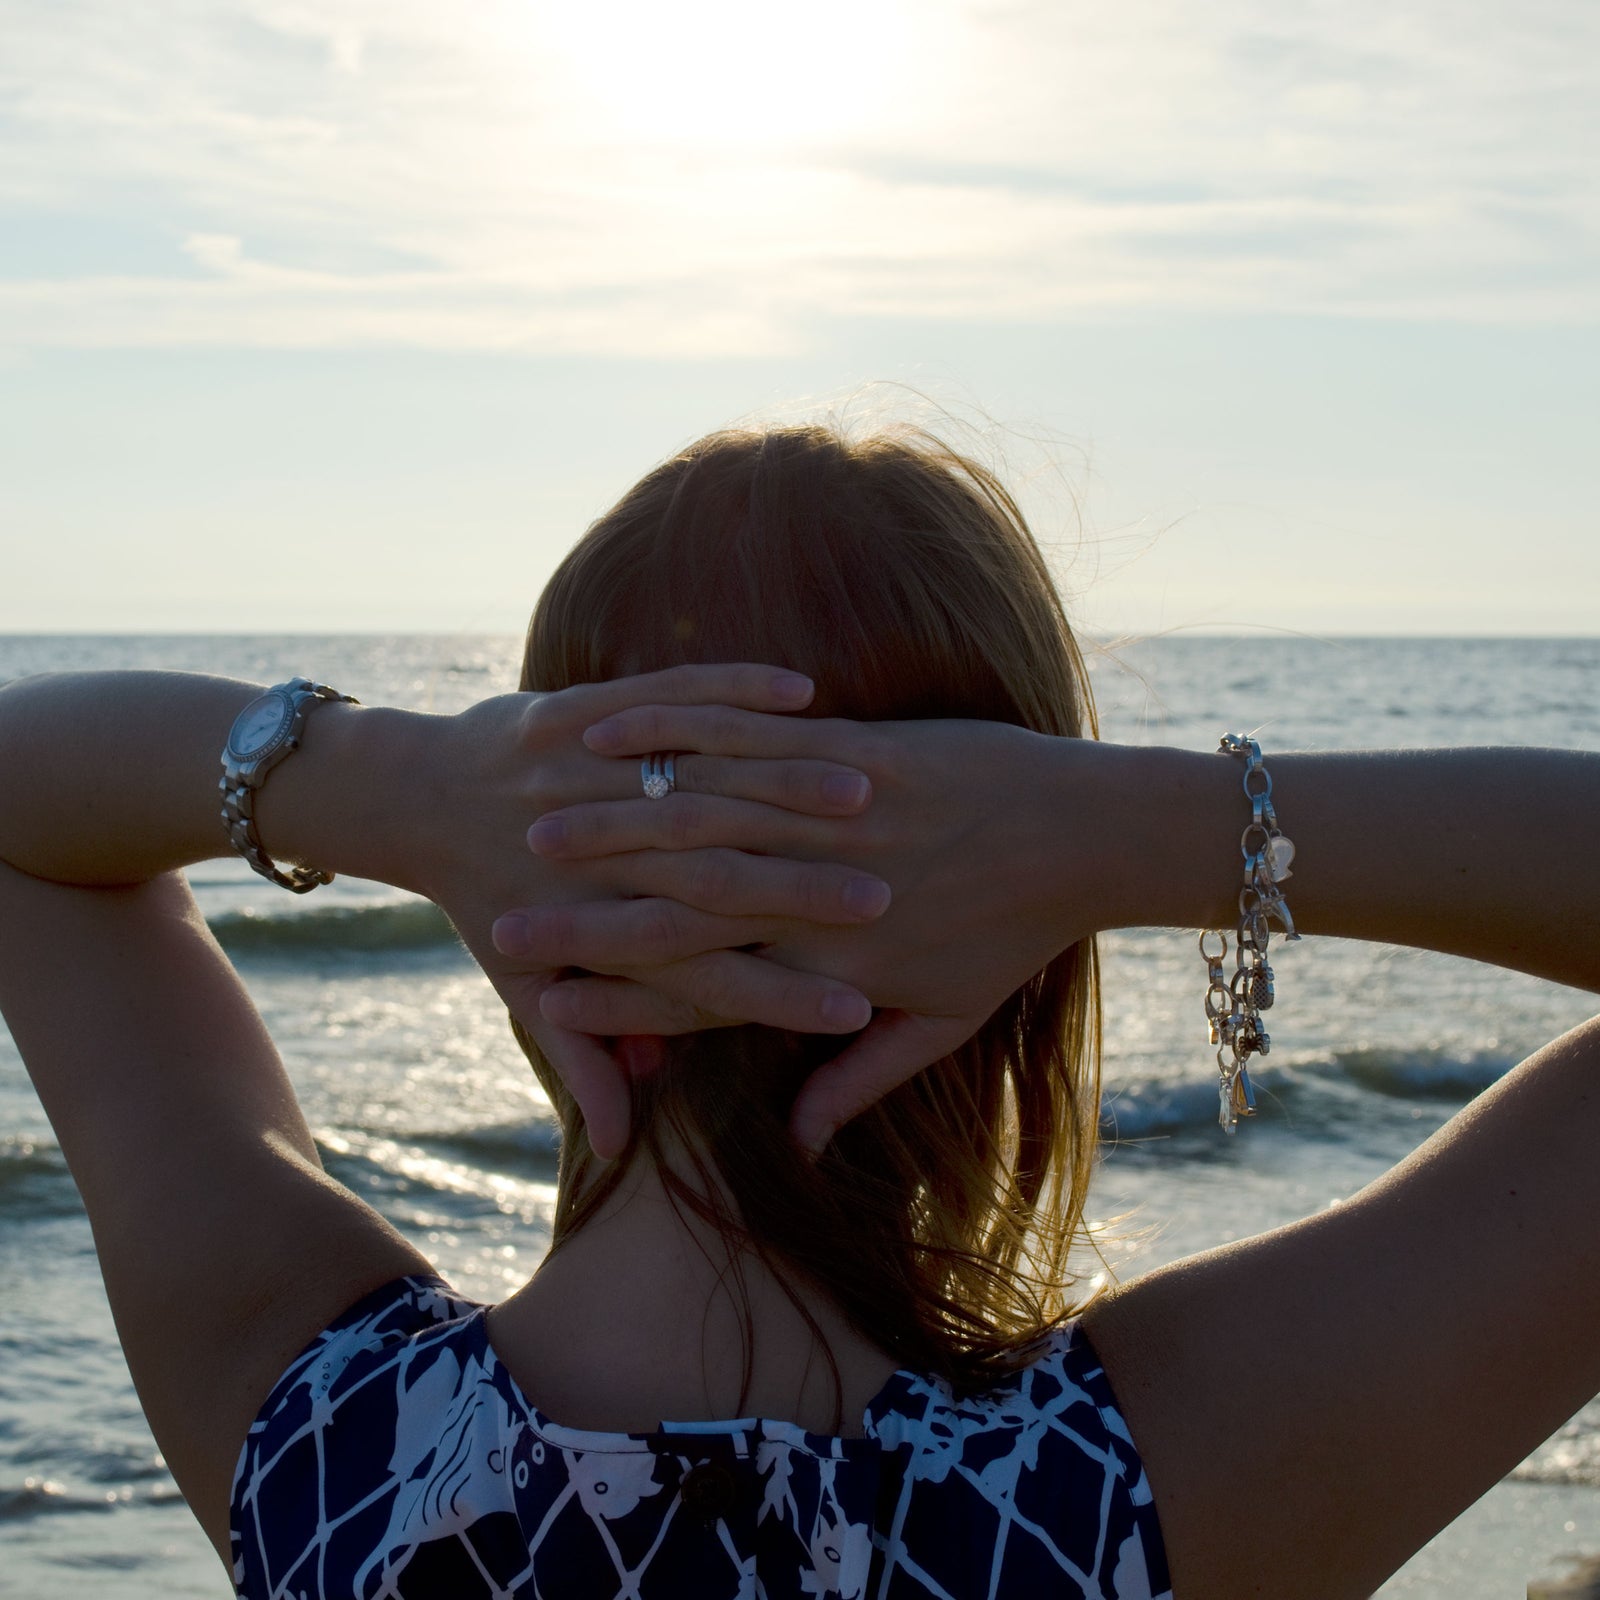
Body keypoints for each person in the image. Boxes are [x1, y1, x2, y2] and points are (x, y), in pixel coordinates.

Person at [0, 423, 1595, 1600]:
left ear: (526, 905)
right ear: (1029, 941)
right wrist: (1136, 829)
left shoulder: (330, 1452)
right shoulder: (1148, 1492)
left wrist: (398, 785)